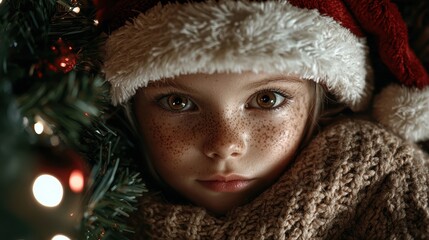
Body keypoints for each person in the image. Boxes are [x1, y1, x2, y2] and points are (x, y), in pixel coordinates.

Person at [99, 0, 429, 238]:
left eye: (266, 99)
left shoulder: (389, 187)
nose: (224, 144)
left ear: (320, 99)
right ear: (131, 109)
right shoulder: (79, 204)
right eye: (178, 102)